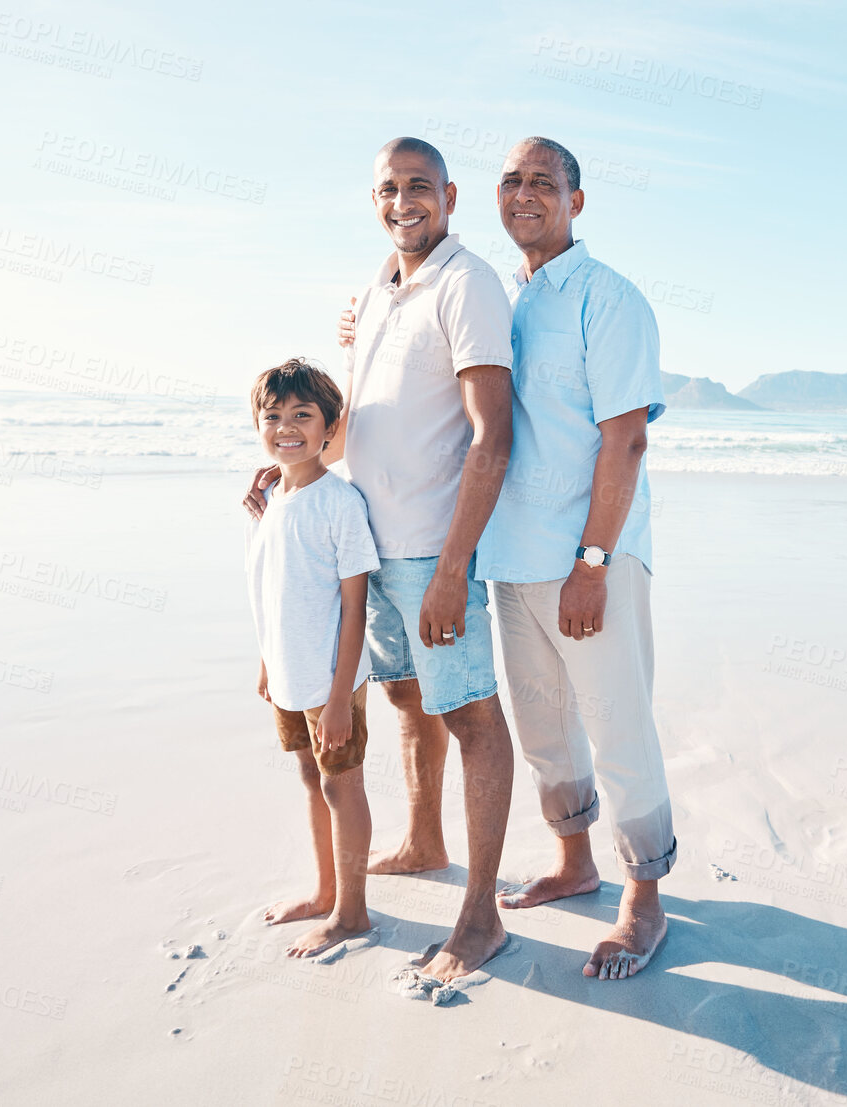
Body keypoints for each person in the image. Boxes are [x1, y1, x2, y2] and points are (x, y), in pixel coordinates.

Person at [339, 137, 679, 979]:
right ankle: (575, 860)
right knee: (544, 730)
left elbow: (626, 439)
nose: (526, 194)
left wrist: (593, 560)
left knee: (617, 722)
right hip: (510, 555)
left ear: (577, 198)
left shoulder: (609, 299)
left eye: (544, 182)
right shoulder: (510, 297)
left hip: (589, 555)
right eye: (513, 181)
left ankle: (645, 899)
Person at [244, 137, 516, 985]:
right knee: (403, 697)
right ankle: (423, 839)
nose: (405, 200)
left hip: (432, 546)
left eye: (420, 187)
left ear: (450, 194)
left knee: (469, 712)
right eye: (390, 189)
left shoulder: (469, 281)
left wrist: (450, 567)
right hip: (364, 533)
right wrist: (300, 470)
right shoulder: (377, 286)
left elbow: (491, 434)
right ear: (374, 201)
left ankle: (480, 915)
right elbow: (355, 403)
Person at [245, 357, 381, 959]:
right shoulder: (274, 495)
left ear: (331, 427)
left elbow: (355, 609)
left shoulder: (339, 502)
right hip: (289, 673)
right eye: (272, 416)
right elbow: (275, 586)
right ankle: (325, 890)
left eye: (303, 414)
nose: (286, 427)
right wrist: (268, 661)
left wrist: (338, 698)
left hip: (332, 680)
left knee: (340, 786)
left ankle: (353, 912)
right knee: (310, 777)